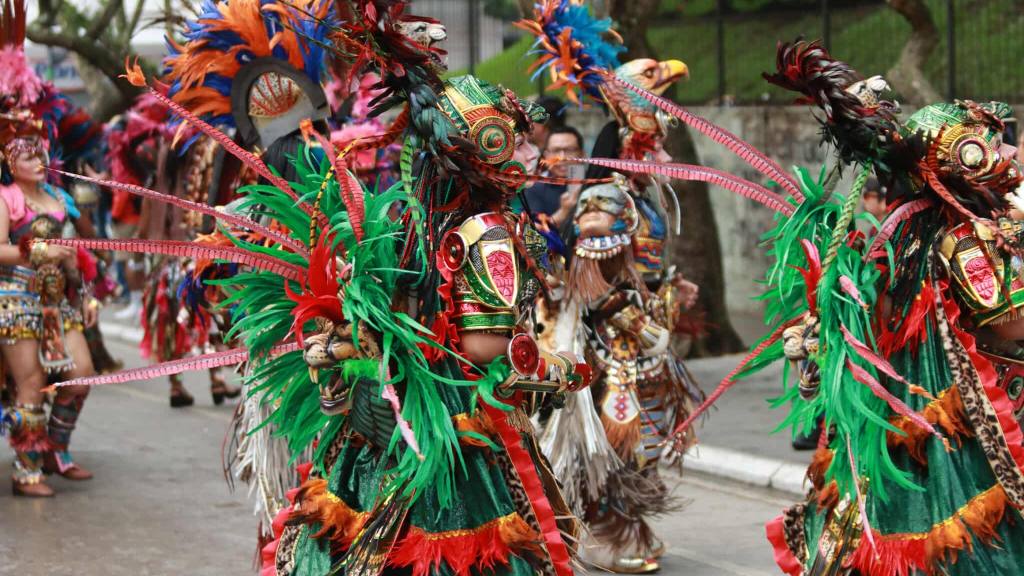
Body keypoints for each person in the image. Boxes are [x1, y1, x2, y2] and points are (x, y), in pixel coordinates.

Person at [520, 2, 696, 572]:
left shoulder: (639, 193)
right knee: (615, 450)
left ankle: (623, 530)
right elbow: (589, 280)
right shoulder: (606, 197)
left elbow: (638, 268)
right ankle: (603, 534)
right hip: (611, 347)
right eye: (651, 136)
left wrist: (671, 289)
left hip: (637, 343)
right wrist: (637, 323)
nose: (658, 145)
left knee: (636, 450)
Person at [0, 109, 98, 497]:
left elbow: (76, 251)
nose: (39, 162)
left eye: (41, 155)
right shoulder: (5, 198)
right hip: (15, 299)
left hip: (59, 301)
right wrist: (38, 249)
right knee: (31, 383)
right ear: (10, 163)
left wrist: (85, 289)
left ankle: (55, 449)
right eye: (28, 157)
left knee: (80, 377)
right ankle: (26, 471)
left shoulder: (57, 197)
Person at [523, 125, 585, 226]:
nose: (562, 157)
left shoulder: (593, 182)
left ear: (582, 154)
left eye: (570, 150)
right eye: (556, 151)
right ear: (546, 156)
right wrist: (564, 212)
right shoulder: (535, 188)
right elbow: (534, 232)